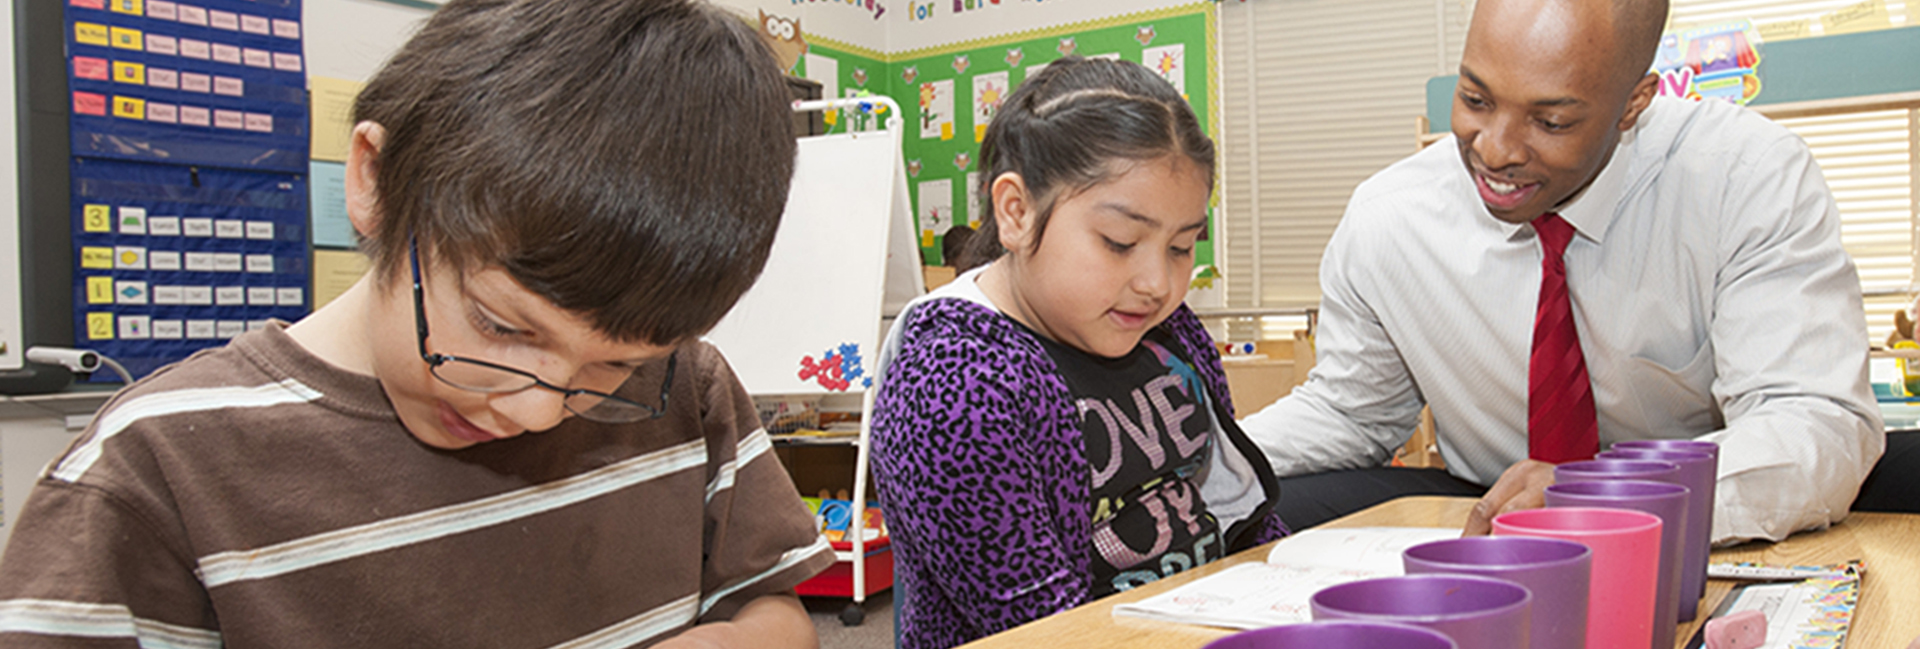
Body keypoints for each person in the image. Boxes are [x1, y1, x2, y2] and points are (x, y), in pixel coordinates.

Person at [0, 1, 833, 647]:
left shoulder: (686, 387)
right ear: (375, 180)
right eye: (502, 327)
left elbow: (775, 605)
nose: (536, 409)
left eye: (610, 370)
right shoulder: (156, 470)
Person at [1240, 0, 1884, 544]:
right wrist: (1201, 457)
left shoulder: (1743, 177)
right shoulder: (1390, 217)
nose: (1494, 150)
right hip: (1493, 506)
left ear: (1634, 103)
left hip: (1689, 510)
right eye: (1474, 99)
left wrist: (1603, 496)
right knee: (1254, 501)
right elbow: (1353, 413)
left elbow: (1813, 420)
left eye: (1551, 121)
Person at [870, 56, 1288, 649]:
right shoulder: (955, 383)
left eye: (1180, 246)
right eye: (1120, 243)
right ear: (1016, 212)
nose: (1156, 283)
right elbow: (1041, 629)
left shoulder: (1169, 331)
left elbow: (1239, 516)